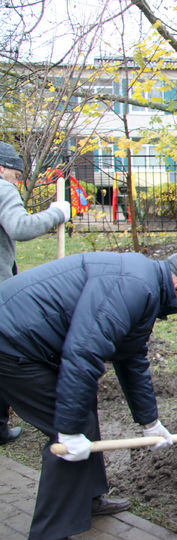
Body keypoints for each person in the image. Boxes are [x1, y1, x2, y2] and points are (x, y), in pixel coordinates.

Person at [0, 251, 177, 540]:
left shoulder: (144, 287)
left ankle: (89, 496)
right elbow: (85, 351)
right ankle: (50, 533)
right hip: (12, 341)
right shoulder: (134, 287)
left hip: (25, 334)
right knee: (69, 432)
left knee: (82, 406)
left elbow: (131, 358)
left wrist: (150, 422)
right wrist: (69, 431)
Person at [0, 141, 71, 446]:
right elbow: (19, 227)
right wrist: (56, 213)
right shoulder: (2, 188)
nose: (17, 182)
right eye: (16, 176)